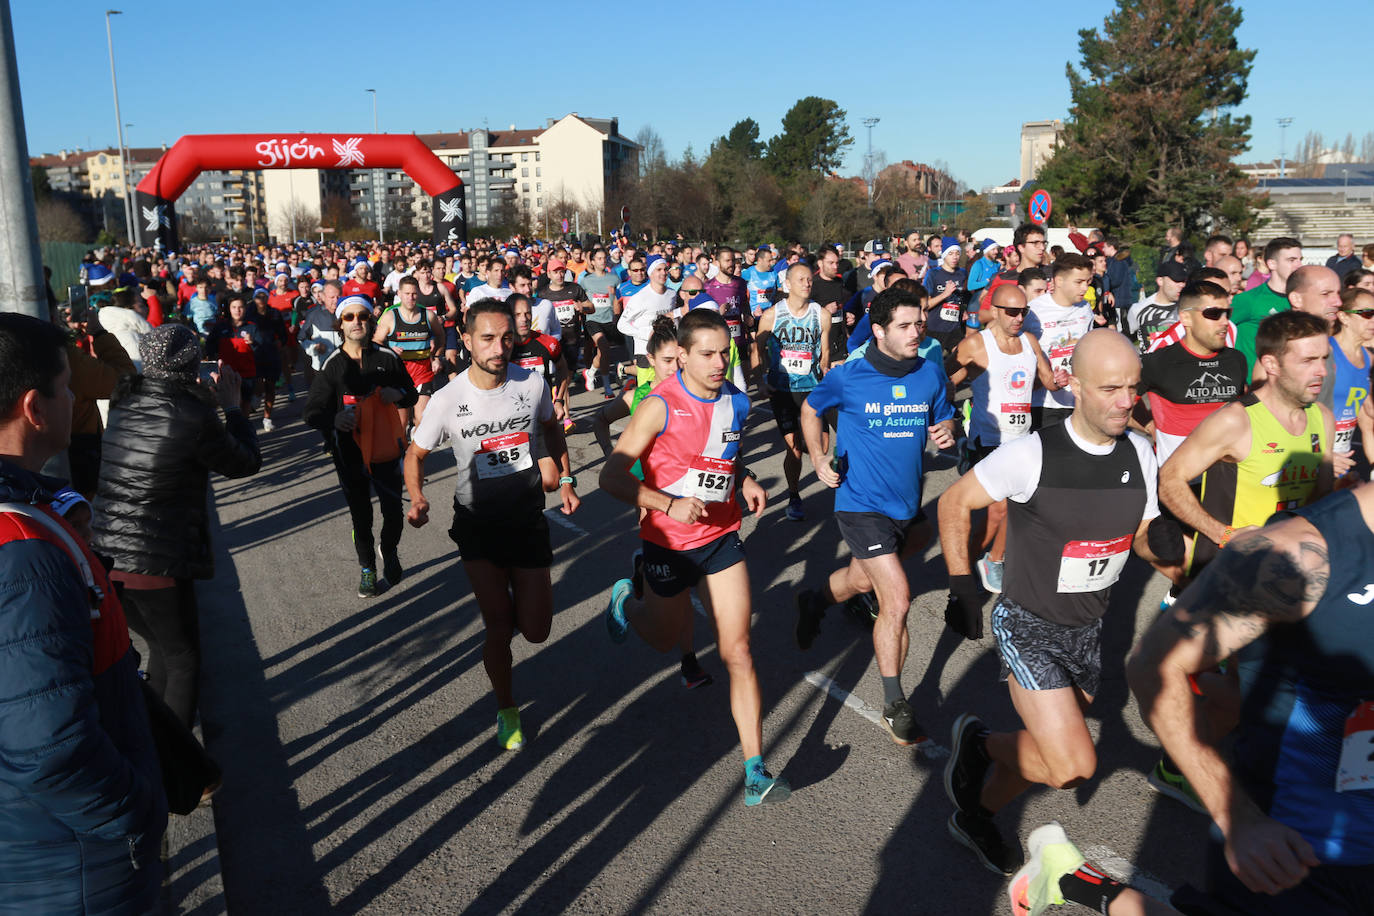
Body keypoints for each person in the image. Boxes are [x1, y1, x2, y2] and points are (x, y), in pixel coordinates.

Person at [938, 329, 1164, 876]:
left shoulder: (1138, 451)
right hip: (1028, 626)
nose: (1125, 402)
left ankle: (976, 804)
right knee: (1071, 765)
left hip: (1088, 631)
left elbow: (1140, 535)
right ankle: (985, 749)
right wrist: (964, 586)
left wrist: (1195, 572)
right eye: (1110, 389)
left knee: (1043, 754)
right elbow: (953, 501)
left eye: (1133, 388)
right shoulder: (1031, 455)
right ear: (1076, 385)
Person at [0, 312, 168, 914]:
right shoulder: (20, 547)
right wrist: (135, 814)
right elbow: (48, 745)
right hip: (67, 863)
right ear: (34, 408)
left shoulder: (26, 515)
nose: (77, 398)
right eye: (68, 386)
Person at [600, 308, 788, 807]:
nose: (718, 362)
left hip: (721, 537)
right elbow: (612, 478)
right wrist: (668, 504)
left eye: (723, 353)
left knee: (738, 651)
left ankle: (754, 769)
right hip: (666, 542)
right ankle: (627, 600)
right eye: (706, 354)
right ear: (680, 355)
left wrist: (744, 479)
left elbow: (724, 453)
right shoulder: (658, 406)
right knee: (665, 639)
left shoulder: (738, 402)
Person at [406, 298, 579, 751]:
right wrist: (419, 497)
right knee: (498, 627)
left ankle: (515, 610)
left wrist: (565, 476)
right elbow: (416, 454)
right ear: (465, 341)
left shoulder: (533, 382)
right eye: (487, 338)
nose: (499, 347)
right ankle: (507, 708)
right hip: (478, 525)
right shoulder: (448, 399)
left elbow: (550, 426)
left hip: (526, 519)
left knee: (537, 629)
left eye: (506, 338)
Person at [794, 287, 957, 746]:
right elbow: (810, 408)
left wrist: (947, 431)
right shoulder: (850, 376)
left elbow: (943, 421)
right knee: (898, 600)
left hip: (905, 505)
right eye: (905, 326)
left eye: (919, 323)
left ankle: (816, 600)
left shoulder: (930, 374)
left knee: (862, 581)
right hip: (859, 503)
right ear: (879, 330)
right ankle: (894, 703)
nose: (915, 332)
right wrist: (819, 457)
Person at [92, 322, 262, 727]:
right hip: (155, 558)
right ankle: (182, 771)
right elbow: (244, 462)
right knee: (184, 660)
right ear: (189, 365)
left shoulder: (124, 400)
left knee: (161, 649)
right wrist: (233, 407)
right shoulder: (192, 414)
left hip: (107, 553)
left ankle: (156, 745)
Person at [945, 284, 1065, 593]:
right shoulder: (975, 344)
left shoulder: (1029, 341)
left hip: (1022, 438)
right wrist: (945, 417)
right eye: (1012, 312)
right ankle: (986, 563)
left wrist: (1059, 380)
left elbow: (1047, 382)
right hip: (989, 438)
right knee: (1001, 509)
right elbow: (947, 380)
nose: (1018, 318)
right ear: (996, 312)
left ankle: (977, 564)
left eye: (1023, 312)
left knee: (1018, 505)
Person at [304, 296, 419, 597]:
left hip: (385, 449)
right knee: (361, 516)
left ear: (370, 321)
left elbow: (411, 395)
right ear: (340, 324)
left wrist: (397, 393)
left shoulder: (387, 357)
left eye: (363, 316)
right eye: (350, 317)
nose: (357, 322)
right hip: (349, 453)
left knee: (393, 511)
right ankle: (367, 567)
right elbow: (312, 412)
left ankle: (389, 550)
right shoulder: (333, 365)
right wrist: (335, 418)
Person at [755, 262, 829, 521]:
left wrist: (827, 379)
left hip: (812, 389)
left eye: (810, 279)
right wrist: (761, 381)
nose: (807, 284)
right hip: (783, 390)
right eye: (801, 279)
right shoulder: (772, 315)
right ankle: (794, 495)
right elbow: (757, 348)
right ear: (787, 284)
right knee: (794, 448)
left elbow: (825, 353)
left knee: (821, 446)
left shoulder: (821, 315)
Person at [1024, 252, 1100, 430]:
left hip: (1078, 401)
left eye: (1087, 282)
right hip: (1044, 402)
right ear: (1058, 281)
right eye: (1079, 282)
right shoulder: (1034, 311)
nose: (1085, 289)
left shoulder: (1085, 308)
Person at [374, 275, 443, 432]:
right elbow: (376, 342)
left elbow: (440, 335)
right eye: (407, 294)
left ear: (418, 293)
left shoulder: (428, 316)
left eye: (414, 294)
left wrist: (437, 357)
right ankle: (402, 451)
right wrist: (389, 349)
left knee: (422, 418)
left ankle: (416, 451)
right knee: (401, 422)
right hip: (398, 374)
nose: (411, 298)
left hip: (422, 373)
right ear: (399, 293)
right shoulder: (390, 316)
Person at [1232, 237, 1304, 377]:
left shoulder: (1303, 299)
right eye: (1291, 260)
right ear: (1272, 264)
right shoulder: (1249, 300)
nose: (1298, 265)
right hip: (1253, 387)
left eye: (1300, 259)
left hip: (1288, 383)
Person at [1331, 287, 1373, 478]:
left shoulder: (1369, 359)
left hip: (1343, 458)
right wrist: (1322, 454)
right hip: (1315, 457)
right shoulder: (1326, 352)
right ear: (1344, 317)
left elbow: (1367, 421)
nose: (1373, 320)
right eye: (1367, 313)